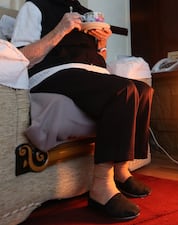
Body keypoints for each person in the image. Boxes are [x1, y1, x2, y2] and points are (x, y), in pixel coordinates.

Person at [11, 0, 154, 221]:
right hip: (51, 74)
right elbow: (22, 58)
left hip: (89, 73)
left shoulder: (87, 13)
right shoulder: (35, 7)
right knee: (122, 90)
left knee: (143, 90)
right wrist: (60, 30)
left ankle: (121, 169)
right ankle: (101, 187)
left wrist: (102, 43)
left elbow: (97, 61)